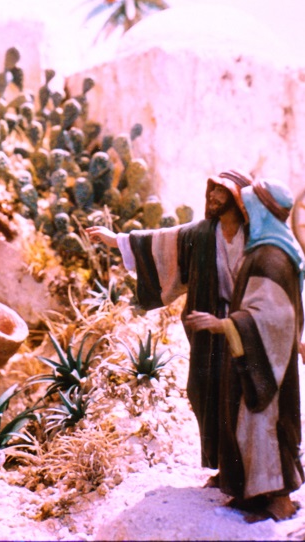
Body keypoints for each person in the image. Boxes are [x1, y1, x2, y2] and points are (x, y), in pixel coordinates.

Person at [85, 169, 252, 484]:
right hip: (210, 332)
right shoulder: (203, 234)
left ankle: (249, 470)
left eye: (222, 192)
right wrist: (115, 240)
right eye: (212, 190)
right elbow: (161, 241)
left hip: (246, 329)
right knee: (206, 391)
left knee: (243, 395)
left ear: (238, 199)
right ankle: (224, 467)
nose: (214, 197)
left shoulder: (255, 237)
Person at [184, 178, 305, 522]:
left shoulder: (271, 256)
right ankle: (254, 496)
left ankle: (279, 502)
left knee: (265, 426)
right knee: (250, 425)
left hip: (266, 359)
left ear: (263, 212)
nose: (245, 215)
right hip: (260, 353)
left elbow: (271, 314)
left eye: (249, 208)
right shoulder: (270, 249)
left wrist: (223, 325)